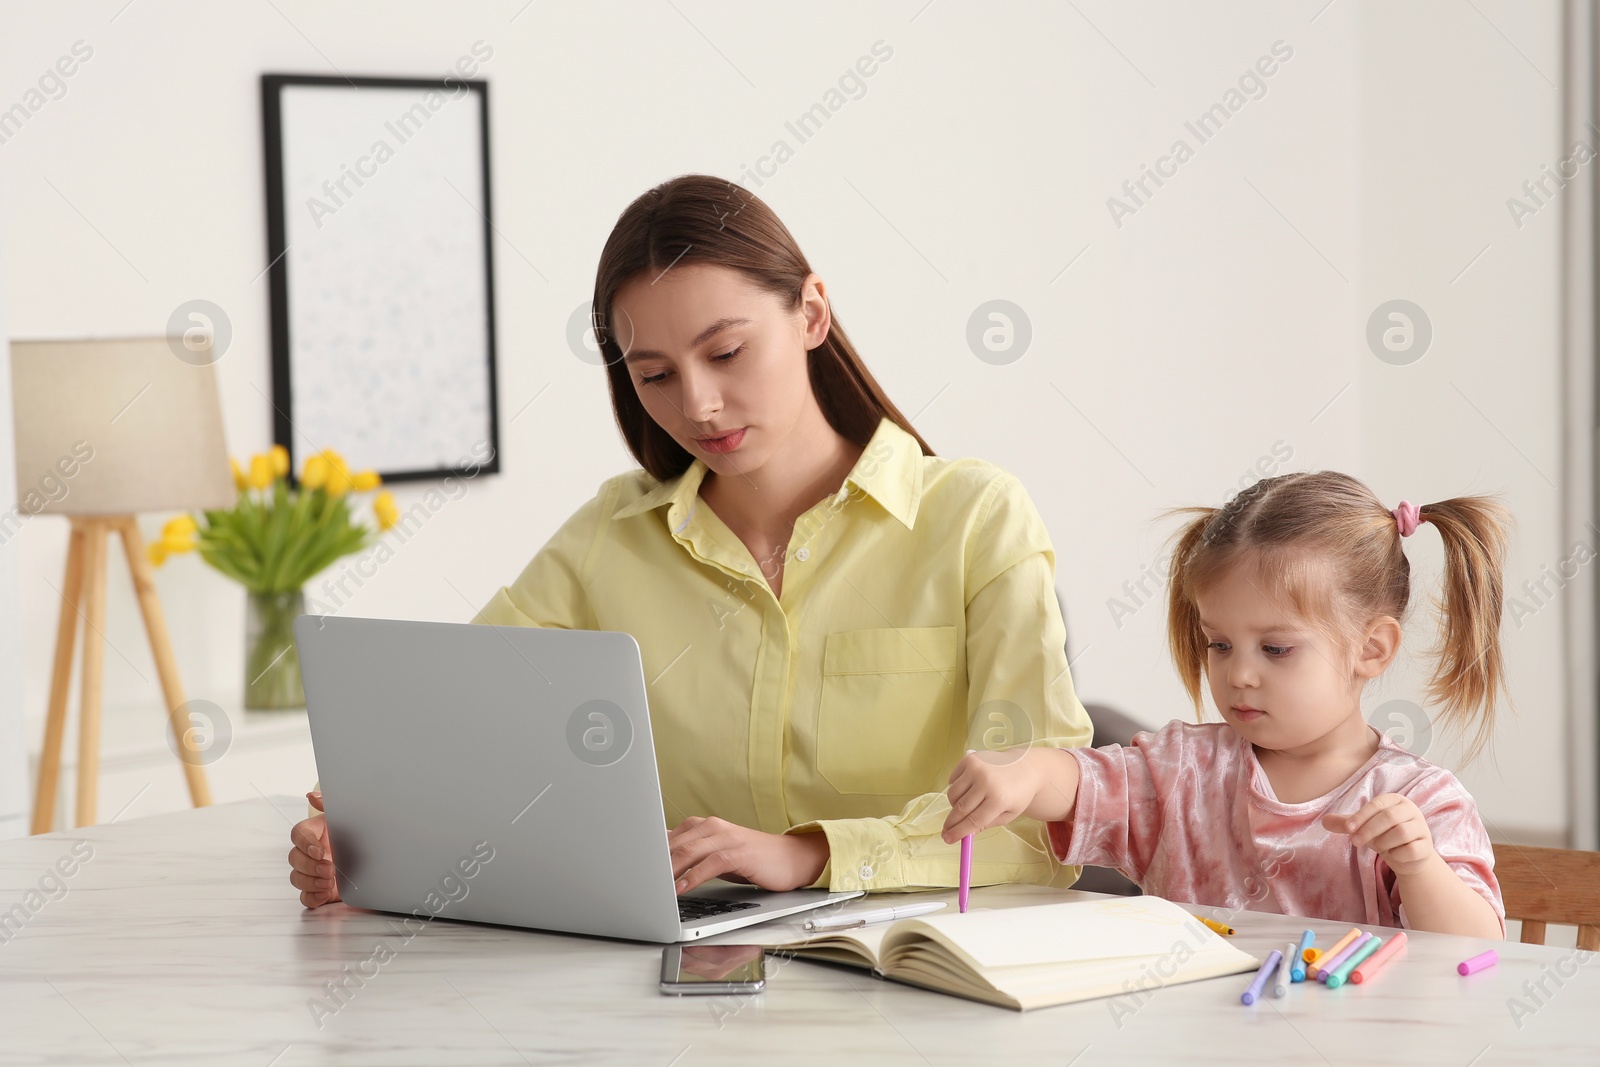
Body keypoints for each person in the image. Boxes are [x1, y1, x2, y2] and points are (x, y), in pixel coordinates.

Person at [289, 174, 1093, 910]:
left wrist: (810, 853)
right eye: (657, 375)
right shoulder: (611, 537)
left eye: (726, 352)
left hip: (921, 976)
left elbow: (1039, 831)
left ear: (811, 313)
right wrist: (368, 836)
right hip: (683, 982)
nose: (700, 405)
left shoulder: (976, 520)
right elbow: (452, 726)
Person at [941, 472, 1510, 938]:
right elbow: (1079, 782)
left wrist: (1418, 867)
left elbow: (1479, 950)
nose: (1238, 673)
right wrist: (1025, 769)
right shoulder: (1182, 772)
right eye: (1219, 644)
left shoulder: (1417, 802)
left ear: (1372, 648)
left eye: (1276, 649)